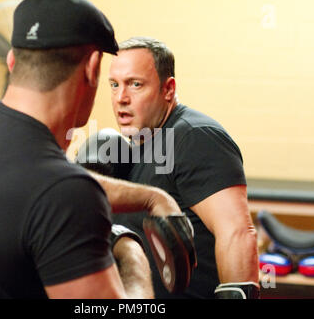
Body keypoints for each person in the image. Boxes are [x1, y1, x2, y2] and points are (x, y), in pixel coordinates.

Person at [0, 0, 182, 299]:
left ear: (12, 61)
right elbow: (59, 191)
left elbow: (37, 185)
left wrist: (150, 197)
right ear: (93, 69)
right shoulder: (65, 194)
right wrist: (131, 251)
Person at [108, 36, 259, 299]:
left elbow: (236, 231)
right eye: (114, 85)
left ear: (168, 89)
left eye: (135, 84)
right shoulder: (132, 148)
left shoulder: (196, 137)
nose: (121, 97)